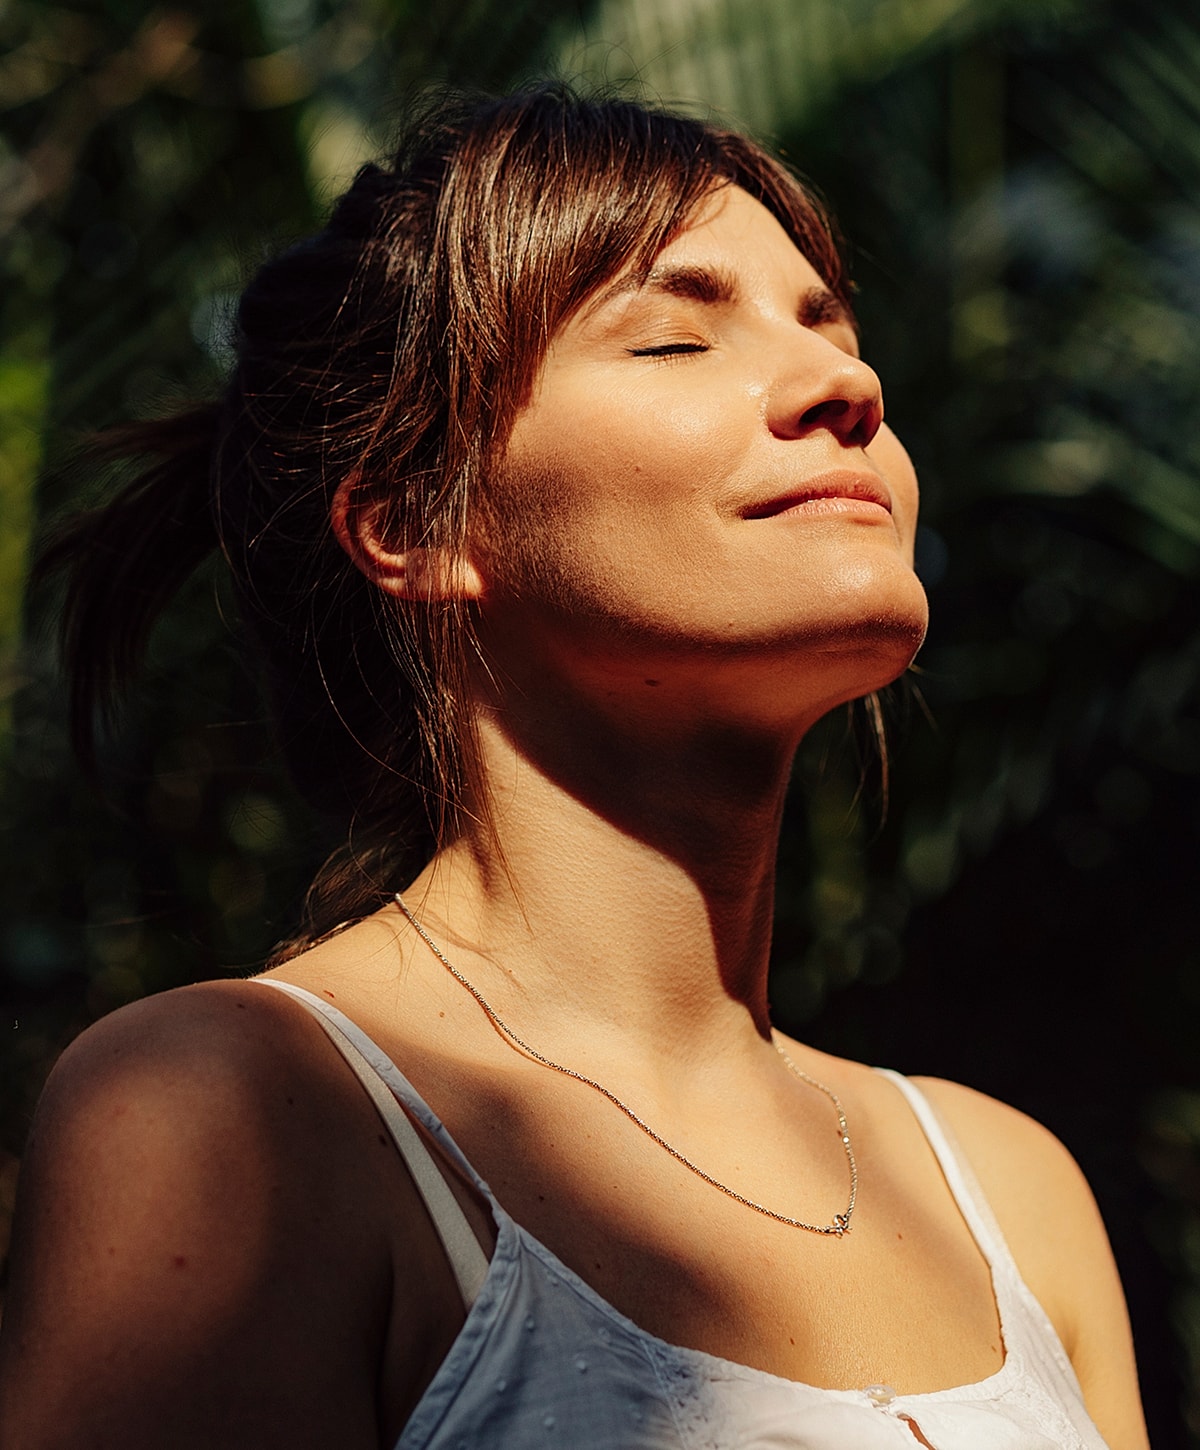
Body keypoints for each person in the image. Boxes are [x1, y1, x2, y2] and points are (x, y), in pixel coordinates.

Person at [0, 86, 1148, 1450]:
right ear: (415, 523)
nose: (849, 386)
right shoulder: (241, 1113)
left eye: (829, 327)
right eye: (674, 338)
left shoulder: (1010, 1193)